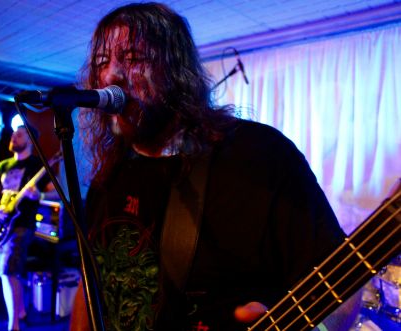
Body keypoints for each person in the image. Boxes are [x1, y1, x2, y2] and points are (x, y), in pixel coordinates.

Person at [69, 3, 358, 330]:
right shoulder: (110, 176)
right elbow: (88, 285)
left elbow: (344, 283)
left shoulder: (260, 156)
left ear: (176, 69)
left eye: (133, 58)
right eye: (102, 63)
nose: (109, 76)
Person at [0, 125, 58, 331]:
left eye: (19, 134)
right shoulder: (3, 165)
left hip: (22, 225)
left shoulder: (38, 165)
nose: (13, 137)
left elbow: (56, 193)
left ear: (31, 140)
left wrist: (40, 196)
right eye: (13, 134)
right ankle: (21, 313)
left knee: (8, 271)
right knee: (4, 272)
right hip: (0, 224)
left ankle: (14, 326)